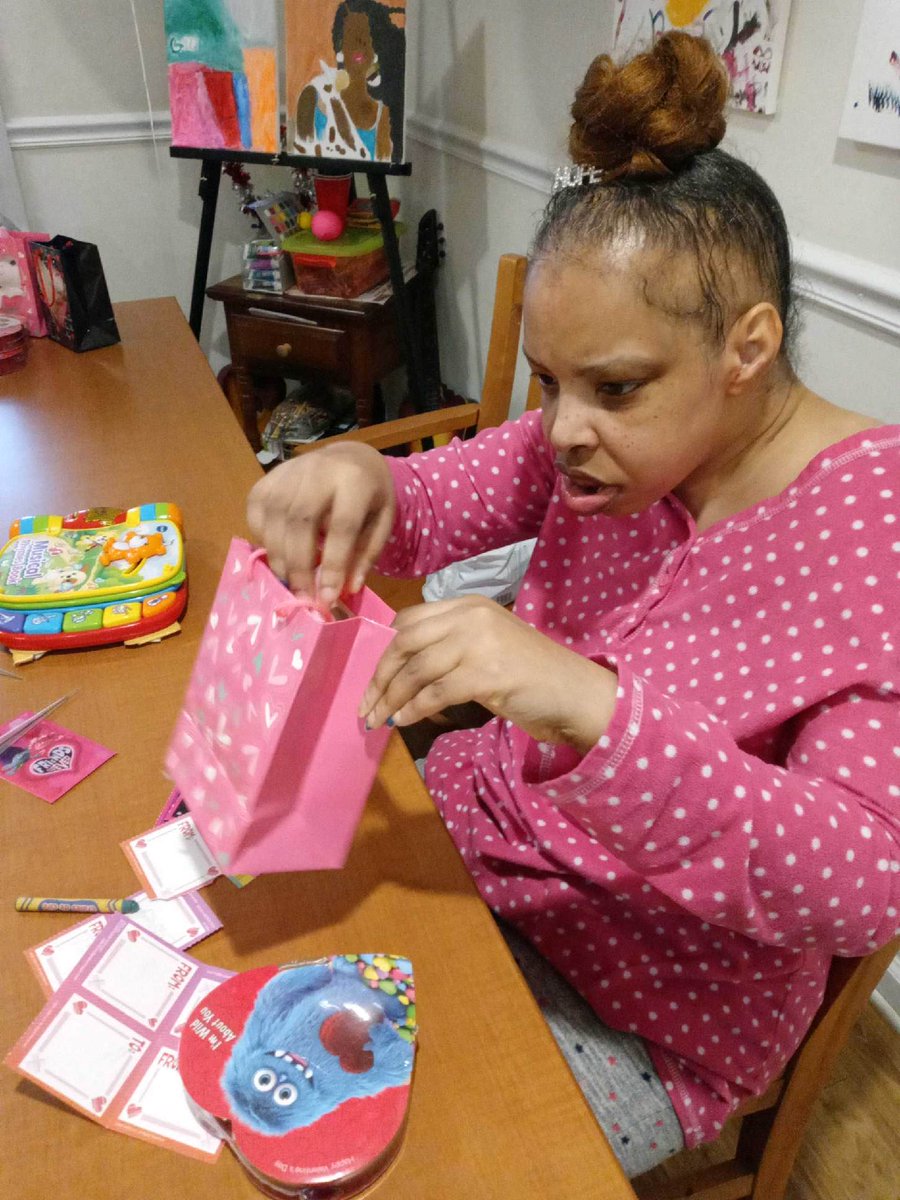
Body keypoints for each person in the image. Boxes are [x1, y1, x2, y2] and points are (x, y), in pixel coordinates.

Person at [249, 33, 900, 1177]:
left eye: (614, 387)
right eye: (550, 383)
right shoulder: (606, 445)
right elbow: (441, 498)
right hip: (472, 848)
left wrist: (591, 710)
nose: (559, 431)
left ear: (747, 348)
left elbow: (860, 884)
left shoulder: (871, 533)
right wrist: (360, 478)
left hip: (649, 1009)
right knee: (255, 1017)